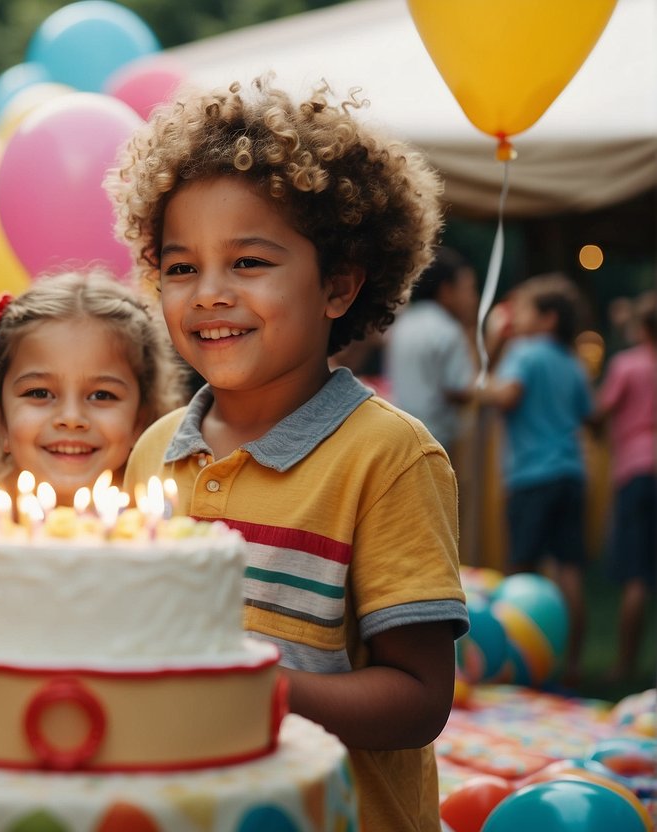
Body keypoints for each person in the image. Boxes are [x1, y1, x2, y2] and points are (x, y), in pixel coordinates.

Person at [108, 77, 468, 830]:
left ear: (337, 286)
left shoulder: (388, 458)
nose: (208, 293)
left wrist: (248, 692)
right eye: (181, 267)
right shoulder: (151, 454)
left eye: (247, 263)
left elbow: (419, 700)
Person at [0, 269, 184, 504]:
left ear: (140, 420)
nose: (71, 418)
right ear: (0, 418)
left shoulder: (168, 536)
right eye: (39, 393)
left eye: (102, 395)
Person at [483, 273, 593, 687]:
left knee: (521, 568)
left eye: (525, 309)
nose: (516, 317)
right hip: (571, 472)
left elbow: (507, 396)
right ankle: (574, 665)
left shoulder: (525, 352)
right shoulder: (573, 362)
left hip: (531, 475)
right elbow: (588, 414)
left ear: (547, 318)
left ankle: (515, 660)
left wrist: (485, 383)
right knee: (570, 569)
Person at [590, 294, 655, 684]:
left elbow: (600, 413)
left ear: (643, 328)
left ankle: (624, 666)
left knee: (635, 575)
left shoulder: (627, 365)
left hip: (636, 471)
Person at [385, 246, 479, 453]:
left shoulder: (404, 323)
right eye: (469, 289)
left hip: (399, 432)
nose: (473, 298)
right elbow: (462, 389)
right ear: (446, 291)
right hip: (435, 438)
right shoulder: (448, 329)